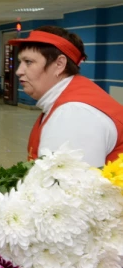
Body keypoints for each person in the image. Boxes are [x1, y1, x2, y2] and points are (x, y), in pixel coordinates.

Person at [9, 25, 123, 167]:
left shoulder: (74, 113)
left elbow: (71, 186)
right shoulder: (74, 97)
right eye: (20, 62)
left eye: (29, 62)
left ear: (59, 64)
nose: (19, 71)